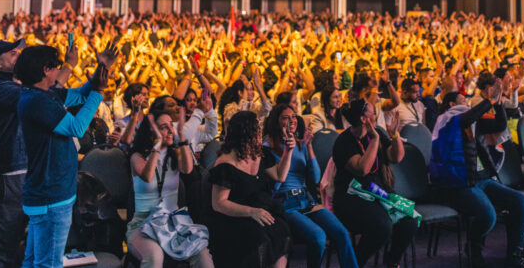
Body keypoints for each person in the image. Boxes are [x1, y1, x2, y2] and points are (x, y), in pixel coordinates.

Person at [16, 43, 115, 268]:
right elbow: (78, 127)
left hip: (47, 192)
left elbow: (79, 95)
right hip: (52, 195)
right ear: (45, 70)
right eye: (57, 66)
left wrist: (102, 69)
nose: (60, 70)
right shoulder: (38, 102)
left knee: (33, 260)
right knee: (47, 263)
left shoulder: (42, 94)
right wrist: (99, 92)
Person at [431, 72, 524, 268]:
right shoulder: (446, 120)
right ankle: (474, 246)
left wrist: (499, 103)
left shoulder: (470, 119)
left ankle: (514, 255)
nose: (466, 101)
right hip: (459, 183)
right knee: (488, 216)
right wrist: (489, 100)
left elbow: (500, 124)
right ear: (451, 104)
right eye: (461, 99)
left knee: (519, 201)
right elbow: (466, 119)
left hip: (481, 179)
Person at [265, 104, 358, 268]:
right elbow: (276, 185)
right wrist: (288, 150)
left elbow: (315, 178)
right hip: (285, 203)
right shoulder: (267, 148)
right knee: (318, 236)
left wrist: (309, 147)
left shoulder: (302, 145)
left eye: (293, 117)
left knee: (342, 233)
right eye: (285, 118)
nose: (291, 121)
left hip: (306, 200)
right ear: (276, 121)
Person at [127, 99, 213, 268]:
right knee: (154, 256)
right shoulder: (136, 157)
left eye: (170, 126)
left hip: (173, 223)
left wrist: (181, 137)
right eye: (163, 127)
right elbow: (147, 175)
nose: (169, 130)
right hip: (142, 224)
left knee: (202, 255)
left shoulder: (175, 154)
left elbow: (188, 169)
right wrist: (158, 145)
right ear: (152, 131)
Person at [331, 99, 417, 268]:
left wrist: (394, 135)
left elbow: (396, 157)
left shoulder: (378, 131)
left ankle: (392, 261)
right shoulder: (344, 141)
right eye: (372, 112)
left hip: (377, 192)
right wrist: (375, 140)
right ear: (364, 119)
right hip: (351, 197)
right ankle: (355, 264)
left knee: (410, 217)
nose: (376, 115)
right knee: (382, 226)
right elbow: (362, 169)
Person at [206, 111, 291, 268]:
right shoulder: (226, 163)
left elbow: (280, 176)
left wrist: (288, 151)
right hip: (236, 216)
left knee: (281, 231)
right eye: (257, 128)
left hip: (260, 210)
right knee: (260, 239)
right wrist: (251, 212)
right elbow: (218, 203)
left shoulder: (259, 154)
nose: (261, 132)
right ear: (246, 133)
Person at [0, 39, 27, 268]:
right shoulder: (0, 89)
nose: (18, 56)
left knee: (11, 236)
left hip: (13, 169)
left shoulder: (9, 86)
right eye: (13, 53)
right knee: (0, 240)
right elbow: (35, 96)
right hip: (6, 171)